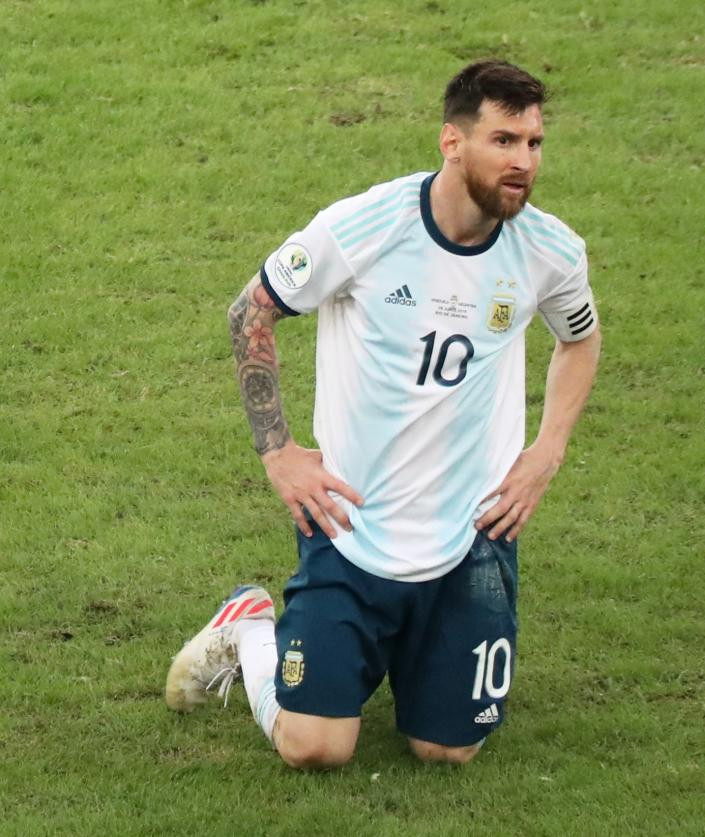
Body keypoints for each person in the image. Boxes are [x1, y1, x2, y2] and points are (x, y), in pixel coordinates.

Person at [165, 60, 601, 769]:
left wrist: (548, 448)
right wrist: (278, 452)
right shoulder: (365, 227)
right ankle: (250, 630)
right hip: (352, 524)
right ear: (451, 144)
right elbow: (252, 312)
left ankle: (410, 651)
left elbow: (579, 339)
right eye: (503, 140)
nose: (523, 161)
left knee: (447, 748)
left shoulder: (550, 250)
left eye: (534, 143)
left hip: (475, 533)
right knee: (315, 748)